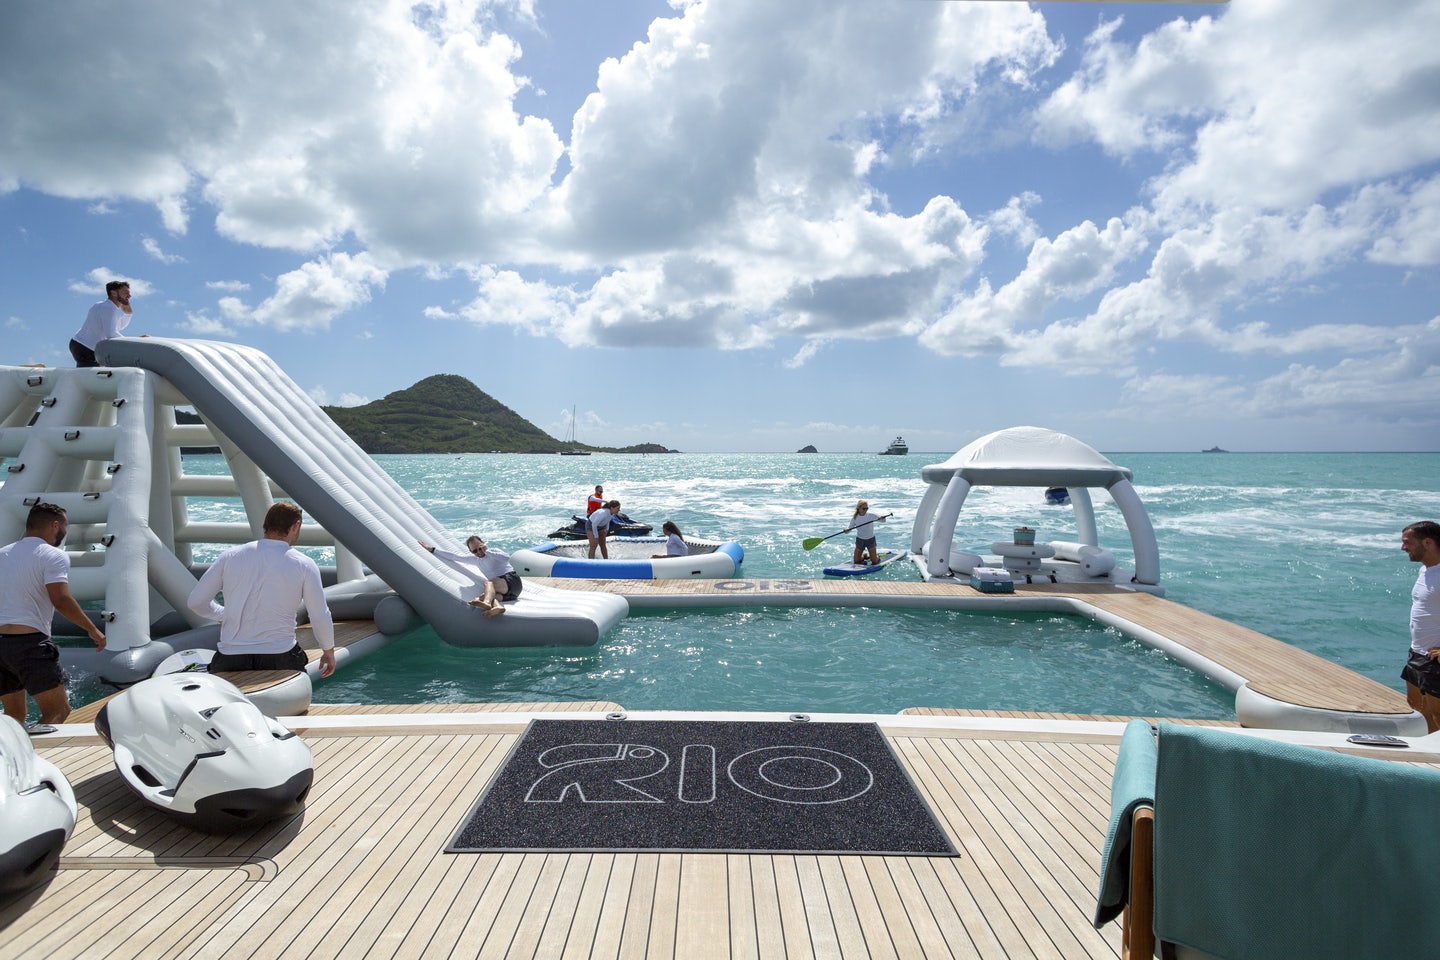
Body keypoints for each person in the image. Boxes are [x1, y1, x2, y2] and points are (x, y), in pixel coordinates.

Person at [187, 502, 337, 677]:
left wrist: (222, 614)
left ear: (265, 526)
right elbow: (319, 614)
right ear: (296, 526)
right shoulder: (303, 564)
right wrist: (328, 652)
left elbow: (196, 602)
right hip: (280, 655)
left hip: (231, 656)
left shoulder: (230, 556)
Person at [0, 502, 107, 733]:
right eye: (65, 526)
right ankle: (27, 762)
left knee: (13, 717)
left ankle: (7, 764)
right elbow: (61, 600)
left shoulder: (3, 554)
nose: (64, 533)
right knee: (58, 711)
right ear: (55, 525)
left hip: (1, 643)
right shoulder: (53, 556)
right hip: (28, 644)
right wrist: (93, 630)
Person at [1400, 520, 1440, 732]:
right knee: (1417, 707)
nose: (1403, 547)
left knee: (1438, 716)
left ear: (1427, 542)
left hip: (1435, 656)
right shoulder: (1426, 570)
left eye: (1408, 542)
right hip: (1417, 652)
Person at [419, 535, 522, 617]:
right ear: (470, 551)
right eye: (475, 551)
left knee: (488, 584)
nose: (479, 552)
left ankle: (486, 602)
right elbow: (455, 556)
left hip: (512, 581)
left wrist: (488, 551)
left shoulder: (493, 551)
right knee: (485, 596)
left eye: (480, 548)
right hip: (510, 594)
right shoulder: (475, 560)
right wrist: (432, 549)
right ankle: (498, 607)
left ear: (483, 544)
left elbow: (506, 558)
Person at [70, 280, 134, 367]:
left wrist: (128, 314)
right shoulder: (109, 309)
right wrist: (134, 343)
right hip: (86, 348)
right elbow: (111, 334)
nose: (129, 296)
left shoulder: (102, 305)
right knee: (94, 377)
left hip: (79, 344)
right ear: (113, 293)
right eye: (125, 292)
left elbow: (116, 327)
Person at [848, 500, 887, 566]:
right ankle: (865, 556)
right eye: (864, 508)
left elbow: (883, 521)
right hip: (860, 540)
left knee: (874, 561)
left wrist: (882, 518)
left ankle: (876, 556)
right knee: (856, 561)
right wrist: (846, 530)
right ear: (859, 508)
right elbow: (849, 529)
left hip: (870, 540)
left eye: (867, 508)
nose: (865, 510)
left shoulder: (871, 515)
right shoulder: (855, 518)